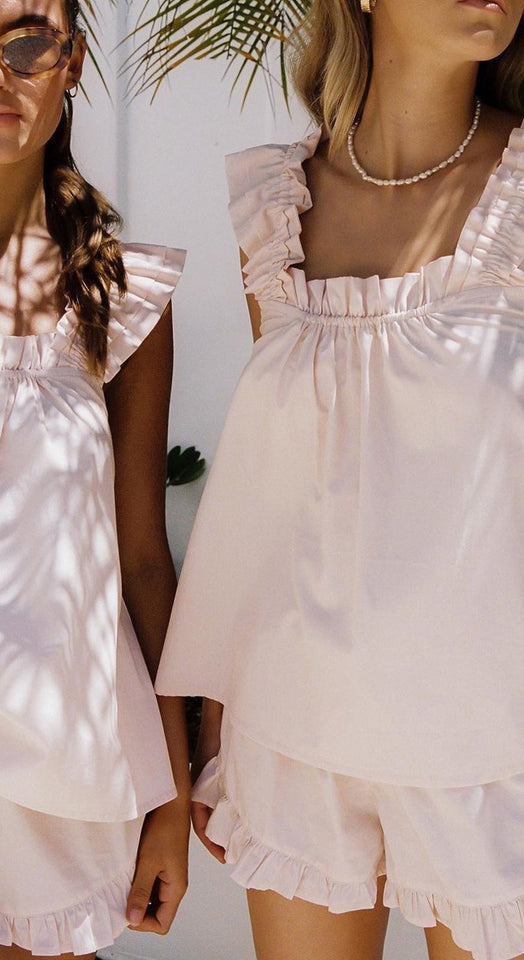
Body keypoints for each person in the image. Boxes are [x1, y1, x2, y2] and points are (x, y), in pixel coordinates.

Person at [156, 0, 524, 958]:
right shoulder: (276, 205)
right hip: (290, 737)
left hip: (496, 742)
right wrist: (218, 716)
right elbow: (286, 498)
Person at [0, 0, 190, 956]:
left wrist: (172, 803)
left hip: (63, 774)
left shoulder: (117, 297)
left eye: (26, 42)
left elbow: (143, 561)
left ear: (71, 60)